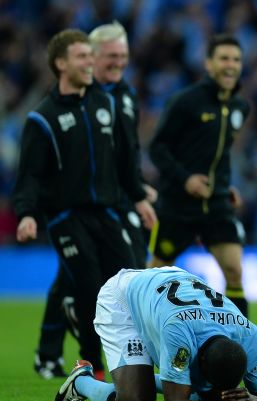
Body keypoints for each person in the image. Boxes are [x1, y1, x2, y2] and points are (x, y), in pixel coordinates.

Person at [12, 29, 157, 380]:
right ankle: (92, 368)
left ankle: (132, 360)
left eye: (91, 57)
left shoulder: (105, 104)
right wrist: (28, 213)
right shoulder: (42, 118)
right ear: (61, 63)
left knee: (129, 284)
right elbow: (30, 174)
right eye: (82, 57)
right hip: (65, 216)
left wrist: (138, 196)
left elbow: (124, 159)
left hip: (108, 212)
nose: (90, 63)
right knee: (90, 287)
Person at [54, 266, 257, 401]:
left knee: (207, 396)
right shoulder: (179, 334)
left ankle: (166, 382)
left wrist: (255, 399)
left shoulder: (250, 337)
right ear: (195, 357)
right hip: (124, 299)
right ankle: (82, 381)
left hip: (170, 286)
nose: (221, 392)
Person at [148, 34, 250, 318]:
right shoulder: (186, 102)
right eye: (224, 59)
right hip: (177, 204)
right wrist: (185, 179)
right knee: (153, 276)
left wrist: (226, 184)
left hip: (216, 203)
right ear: (209, 64)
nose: (231, 65)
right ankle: (139, 339)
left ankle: (243, 343)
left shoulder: (240, 108)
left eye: (236, 60)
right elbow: (157, 147)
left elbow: (221, 152)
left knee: (234, 269)